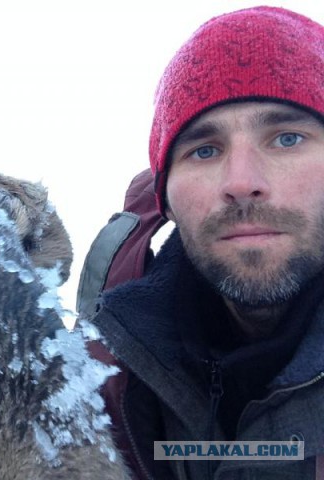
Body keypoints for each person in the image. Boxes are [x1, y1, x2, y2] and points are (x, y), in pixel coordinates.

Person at [89, 6, 324, 479]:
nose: (241, 182)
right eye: (204, 149)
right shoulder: (101, 376)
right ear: (167, 200)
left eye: (286, 139)